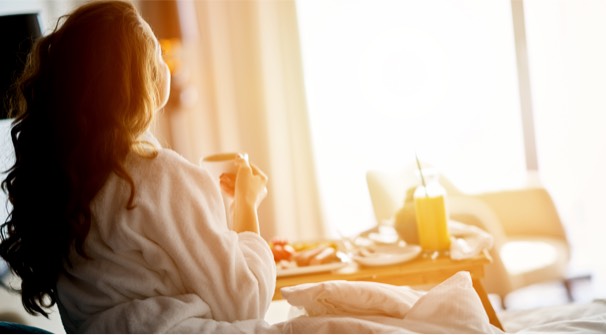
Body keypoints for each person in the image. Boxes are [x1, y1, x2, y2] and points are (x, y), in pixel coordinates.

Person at [0, 0, 277, 332]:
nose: (165, 63)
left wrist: (207, 213)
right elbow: (246, 303)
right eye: (156, 52)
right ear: (136, 81)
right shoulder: (161, 174)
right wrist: (247, 206)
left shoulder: (61, 185)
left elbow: (143, 266)